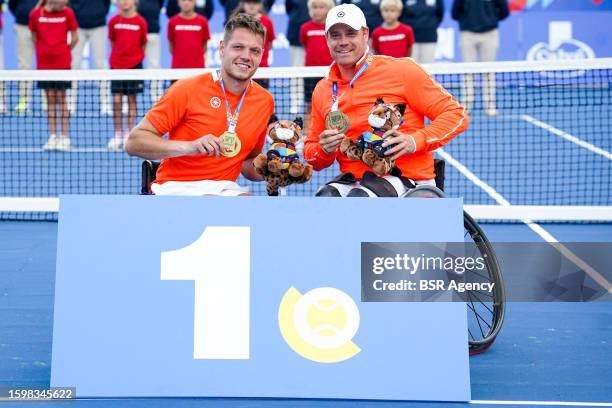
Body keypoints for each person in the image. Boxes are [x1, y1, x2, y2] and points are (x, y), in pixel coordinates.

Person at [304, 4, 468, 197]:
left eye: (350, 34)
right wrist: (323, 149)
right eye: (335, 35)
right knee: (324, 199)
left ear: (365, 34)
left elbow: (456, 115)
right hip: (353, 181)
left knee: (360, 199)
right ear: (327, 40)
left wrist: (413, 141)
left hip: (409, 179)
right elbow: (312, 156)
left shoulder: (402, 70)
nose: (343, 42)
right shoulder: (323, 89)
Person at [125, 13, 275, 196]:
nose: (246, 56)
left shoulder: (265, 101)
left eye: (255, 50)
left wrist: (272, 169)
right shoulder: (186, 89)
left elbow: (247, 162)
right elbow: (133, 142)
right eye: (238, 47)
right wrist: (190, 146)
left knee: (256, 210)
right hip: (175, 187)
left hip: (224, 188)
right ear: (222, 48)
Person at [29, 0, 78, 151]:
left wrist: (62, 50)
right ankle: (53, 136)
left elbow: (75, 37)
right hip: (44, 65)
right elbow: (34, 36)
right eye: (63, 2)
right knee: (49, 98)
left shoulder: (68, 13)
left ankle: (64, 137)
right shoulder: (36, 14)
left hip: (62, 63)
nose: (65, 4)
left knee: (61, 98)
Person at [452, 0, 509, 116]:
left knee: (488, 72)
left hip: (490, 34)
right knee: (468, 72)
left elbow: (504, 10)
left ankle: (490, 106)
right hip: (467, 34)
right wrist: (467, 21)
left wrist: (491, 19)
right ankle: (466, 106)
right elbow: (455, 12)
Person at [107, 0, 147, 150]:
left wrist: (134, 58)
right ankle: (118, 133)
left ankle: (130, 134)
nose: (124, 2)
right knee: (116, 101)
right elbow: (112, 41)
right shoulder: (113, 21)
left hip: (134, 66)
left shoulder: (140, 22)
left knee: (132, 100)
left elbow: (143, 43)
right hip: (117, 66)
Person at [68, 0, 111, 115]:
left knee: (101, 64)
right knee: (73, 64)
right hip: (77, 26)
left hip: (98, 26)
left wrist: (98, 13)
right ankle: (70, 103)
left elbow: (106, 4)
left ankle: (105, 104)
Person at [299, 0, 333, 127]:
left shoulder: (331, 27)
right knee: (309, 104)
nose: (317, 11)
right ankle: (307, 132)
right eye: (314, 7)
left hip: (329, 72)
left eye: (321, 7)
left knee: (330, 103)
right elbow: (305, 44)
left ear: (328, 9)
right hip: (309, 73)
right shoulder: (305, 28)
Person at [9, 0, 38, 113]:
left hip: (42, 26)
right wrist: (23, 15)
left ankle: (47, 100)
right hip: (22, 26)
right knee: (24, 66)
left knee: (45, 66)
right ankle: (24, 100)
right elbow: (12, 5)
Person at [168, 0, 210, 69]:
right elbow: (171, 46)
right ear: (178, 2)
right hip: (177, 69)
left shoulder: (203, 22)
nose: (186, 2)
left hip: (197, 69)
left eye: (190, 0)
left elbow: (204, 46)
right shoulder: (172, 22)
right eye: (183, 0)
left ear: (195, 2)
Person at [137, 0, 163, 102]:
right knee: (131, 64)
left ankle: (157, 97)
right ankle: (127, 97)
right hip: (135, 32)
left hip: (153, 32)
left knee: (154, 65)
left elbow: (159, 6)